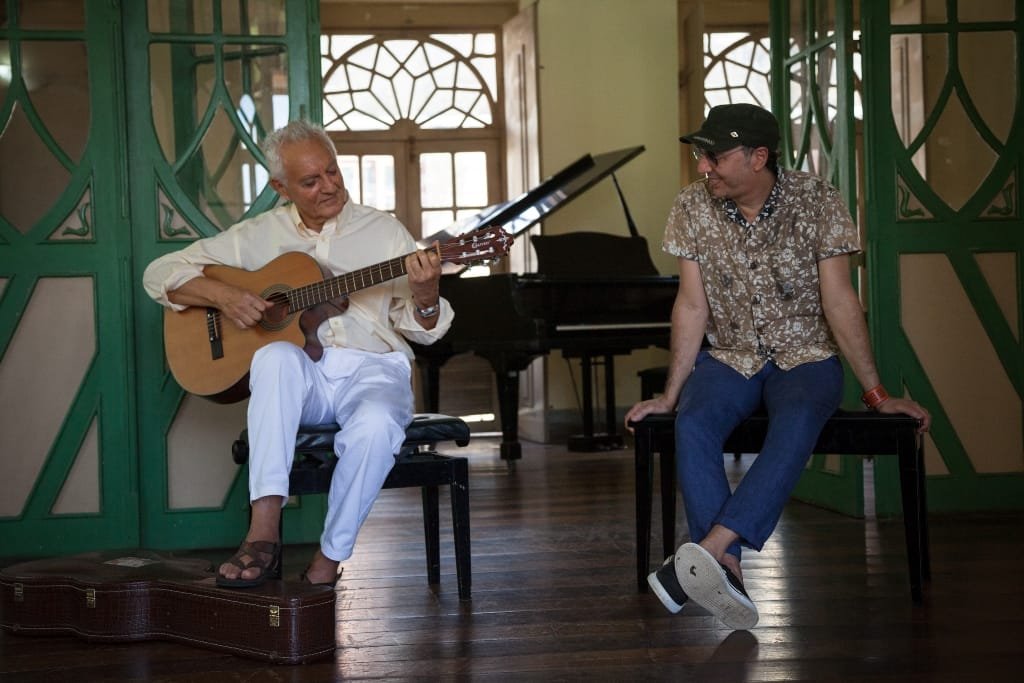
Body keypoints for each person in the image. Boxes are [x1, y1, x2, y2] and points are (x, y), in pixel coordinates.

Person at [624, 103, 931, 630]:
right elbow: (692, 306)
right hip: (730, 358)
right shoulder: (691, 207)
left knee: (796, 421)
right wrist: (670, 394)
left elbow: (840, 302)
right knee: (693, 422)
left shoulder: (817, 201)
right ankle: (728, 570)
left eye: (714, 157)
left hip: (805, 358)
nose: (703, 168)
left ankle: (710, 547)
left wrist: (877, 393)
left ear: (758, 156)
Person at [143, 119, 452, 588]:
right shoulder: (256, 236)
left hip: (373, 368)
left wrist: (426, 294)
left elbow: (423, 331)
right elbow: (159, 272)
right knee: (272, 357)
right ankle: (263, 531)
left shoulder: (384, 231)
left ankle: (327, 561)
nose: (329, 187)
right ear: (279, 187)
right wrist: (223, 296)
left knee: (374, 427)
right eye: (311, 181)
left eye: (332, 172)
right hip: (305, 374)